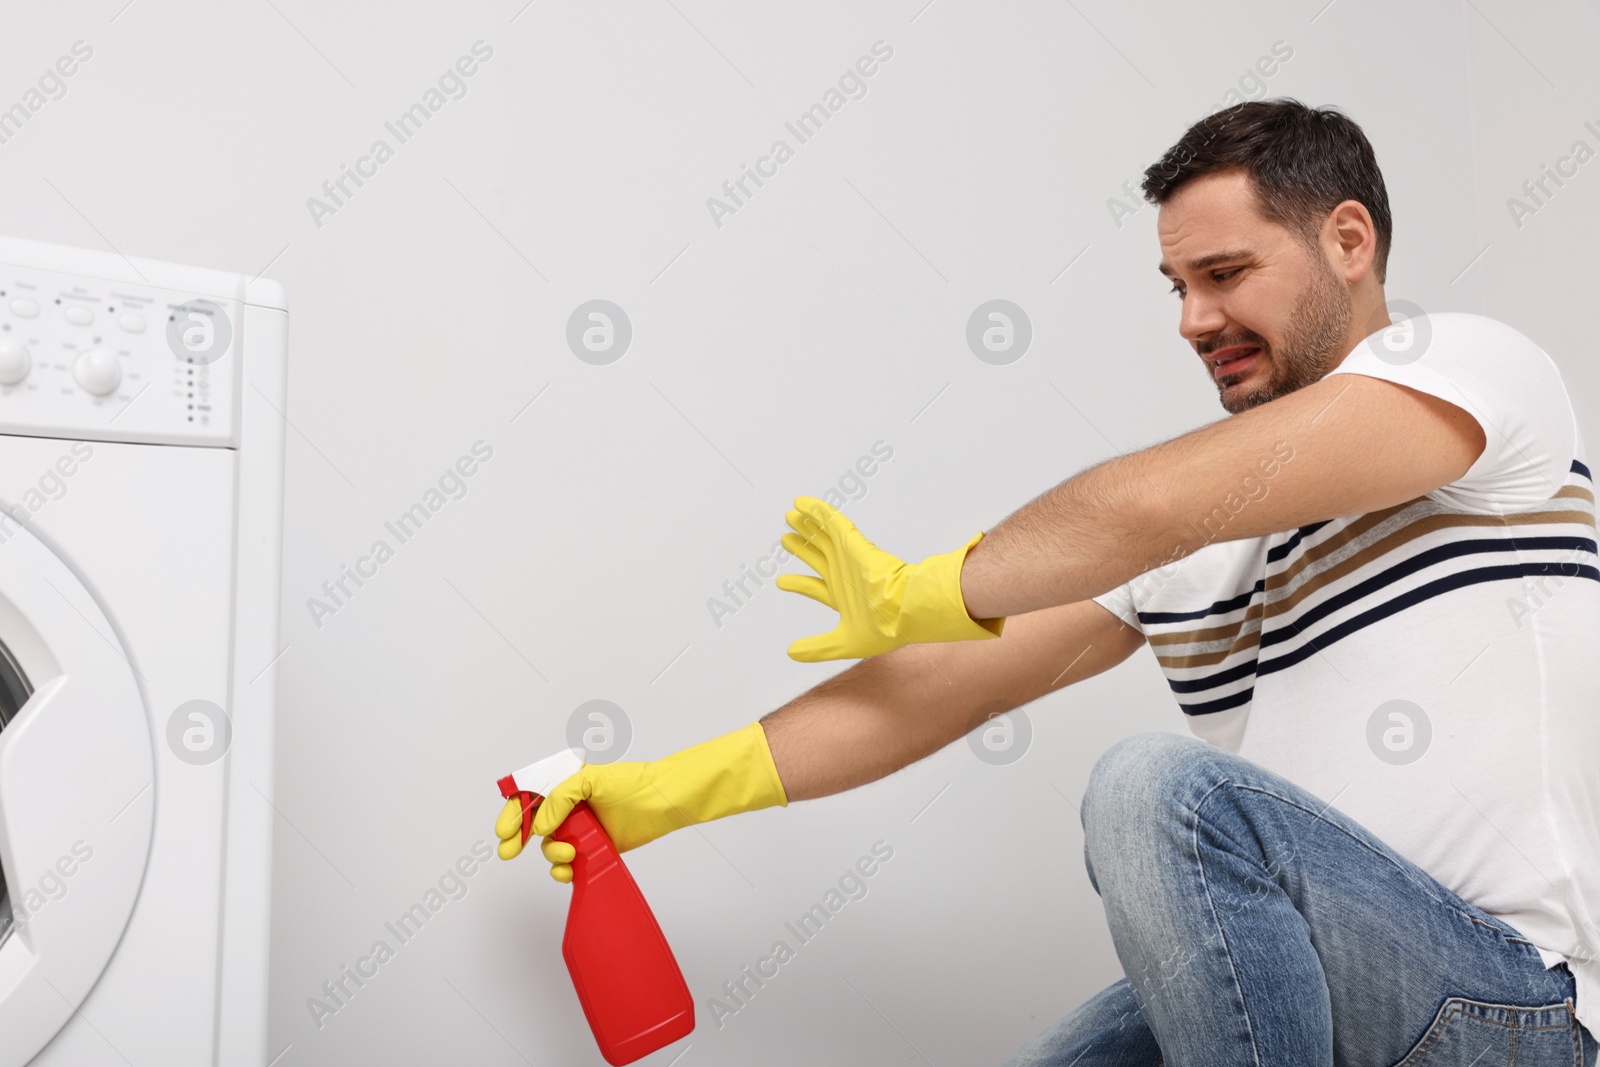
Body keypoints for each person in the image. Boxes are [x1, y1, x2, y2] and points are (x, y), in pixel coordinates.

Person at [495, 98, 1600, 1066]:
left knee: (1153, 792)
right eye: (1175, 285)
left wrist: (943, 580)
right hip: (1303, 992)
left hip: (1507, 1010)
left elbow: (1155, 503)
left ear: (1347, 239)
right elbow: (938, 687)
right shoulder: (1200, 539)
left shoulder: (1470, 371)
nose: (1191, 320)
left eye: (1223, 275)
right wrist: (664, 792)